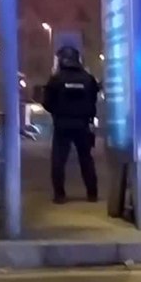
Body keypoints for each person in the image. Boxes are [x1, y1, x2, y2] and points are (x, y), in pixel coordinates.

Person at [43, 45, 100, 203]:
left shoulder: (56, 79)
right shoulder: (88, 78)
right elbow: (94, 99)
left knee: (59, 160)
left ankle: (60, 195)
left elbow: (47, 102)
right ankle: (92, 193)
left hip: (62, 123)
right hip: (83, 124)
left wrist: (57, 111)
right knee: (86, 159)